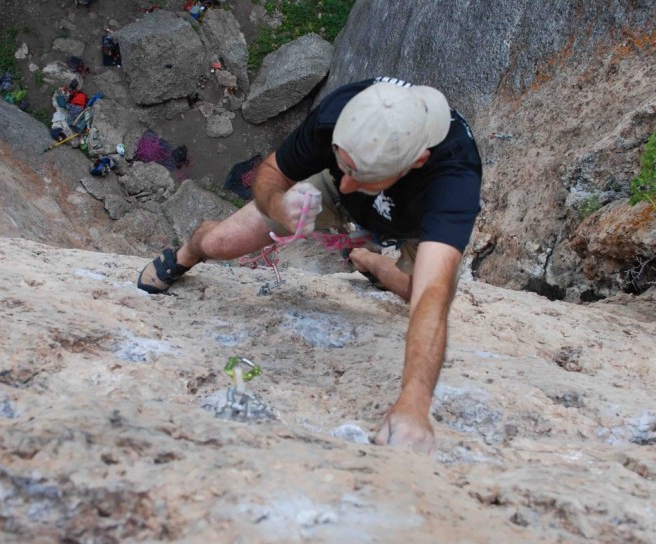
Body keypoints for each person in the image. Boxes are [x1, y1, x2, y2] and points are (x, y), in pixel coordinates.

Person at [137, 77, 482, 454]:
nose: (348, 184)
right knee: (220, 243)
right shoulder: (346, 110)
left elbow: (433, 294)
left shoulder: (454, 176)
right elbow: (273, 172)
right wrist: (279, 204)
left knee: (416, 292)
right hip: (326, 189)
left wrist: (414, 405)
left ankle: (368, 260)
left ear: (417, 161)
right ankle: (190, 250)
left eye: (361, 175)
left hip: (413, 223)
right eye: (344, 163)